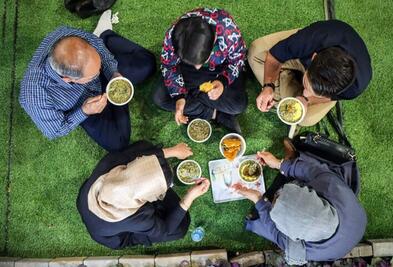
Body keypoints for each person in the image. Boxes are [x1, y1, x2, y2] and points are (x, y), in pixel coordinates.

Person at [19, 10, 156, 151]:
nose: (98, 74)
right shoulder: (34, 98)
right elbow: (56, 130)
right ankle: (115, 98)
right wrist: (84, 111)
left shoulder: (67, 35)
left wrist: (112, 72)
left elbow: (97, 47)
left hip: (94, 67)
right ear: (68, 79)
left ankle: (105, 35)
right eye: (92, 75)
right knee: (119, 143)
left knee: (148, 65)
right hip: (80, 104)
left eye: (98, 69)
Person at [234, 139, 367, 264]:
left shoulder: (299, 250)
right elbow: (312, 171)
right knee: (314, 169)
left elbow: (274, 231)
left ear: (294, 235)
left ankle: (293, 160)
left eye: (274, 203)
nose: (275, 195)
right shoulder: (333, 187)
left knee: (261, 222)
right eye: (279, 195)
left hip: (343, 234)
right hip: (351, 214)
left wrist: (258, 200)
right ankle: (291, 160)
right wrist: (279, 164)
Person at [77, 140, 210, 249]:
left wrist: (173, 151)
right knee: (181, 226)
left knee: (142, 147)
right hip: (115, 236)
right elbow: (164, 231)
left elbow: (134, 154)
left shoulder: (110, 162)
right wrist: (189, 198)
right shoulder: (141, 219)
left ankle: (155, 179)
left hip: (86, 199)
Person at [248, 20, 372, 126]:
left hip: (317, 72)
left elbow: (328, 98)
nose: (305, 92)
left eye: (318, 94)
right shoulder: (313, 38)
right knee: (256, 52)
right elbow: (274, 56)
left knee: (306, 119)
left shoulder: (355, 87)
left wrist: (307, 100)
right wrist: (268, 86)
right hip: (305, 51)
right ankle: (285, 79)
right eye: (306, 85)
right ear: (313, 57)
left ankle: (286, 79)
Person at [153, 8, 247, 133]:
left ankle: (194, 102)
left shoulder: (228, 30)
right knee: (159, 98)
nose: (198, 67)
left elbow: (237, 60)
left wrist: (222, 82)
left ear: (213, 41)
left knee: (239, 104)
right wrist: (179, 97)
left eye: (201, 61)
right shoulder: (174, 33)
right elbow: (169, 66)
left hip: (219, 70)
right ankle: (215, 113)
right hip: (187, 72)